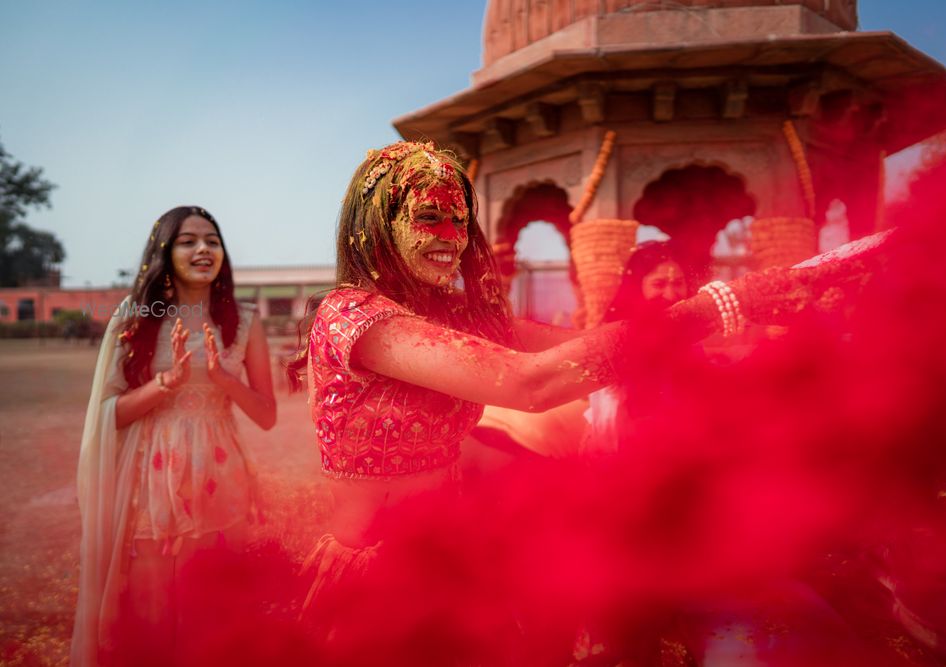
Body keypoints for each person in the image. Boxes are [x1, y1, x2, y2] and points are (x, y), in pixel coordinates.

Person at [286, 141, 834, 624]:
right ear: (379, 223)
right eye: (430, 217)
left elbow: (575, 343)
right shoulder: (352, 316)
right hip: (380, 580)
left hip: (450, 558)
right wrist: (717, 306)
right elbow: (527, 383)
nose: (451, 239)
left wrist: (741, 322)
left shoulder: (453, 315)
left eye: (460, 221)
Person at [71, 205, 276, 667]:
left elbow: (266, 416)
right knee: (152, 615)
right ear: (164, 251)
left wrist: (223, 379)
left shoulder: (243, 322)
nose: (204, 249)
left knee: (215, 614)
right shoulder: (136, 318)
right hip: (150, 486)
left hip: (221, 483)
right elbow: (108, 415)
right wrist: (165, 385)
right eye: (188, 241)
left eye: (212, 240)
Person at [583, 240, 691, 455]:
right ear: (637, 287)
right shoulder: (617, 335)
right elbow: (612, 415)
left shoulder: (689, 329)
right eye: (659, 284)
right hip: (628, 451)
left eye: (678, 283)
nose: (671, 295)